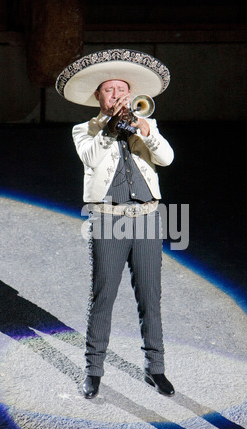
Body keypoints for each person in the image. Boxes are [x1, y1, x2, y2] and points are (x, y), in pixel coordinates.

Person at [56, 49, 174, 399]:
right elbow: (91, 156)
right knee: (103, 297)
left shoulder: (144, 124)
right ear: (99, 96)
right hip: (108, 220)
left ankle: (156, 369)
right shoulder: (84, 129)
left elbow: (167, 158)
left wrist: (144, 129)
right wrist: (110, 127)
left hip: (147, 219)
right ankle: (93, 371)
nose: (118, 95)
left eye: (123, 89)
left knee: (150, 297)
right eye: (110, 90)